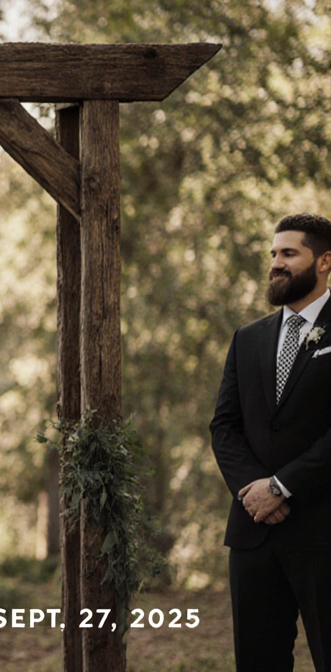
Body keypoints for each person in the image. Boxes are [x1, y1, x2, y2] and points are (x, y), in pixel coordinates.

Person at [211, 213, 331, 671]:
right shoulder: (247, 338)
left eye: (288, 253)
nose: (276, 264)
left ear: (324, 261)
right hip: (254, 532)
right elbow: (223, 427)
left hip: (323, 531)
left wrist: (282, 486)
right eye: (273, 254)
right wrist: (255, 490)